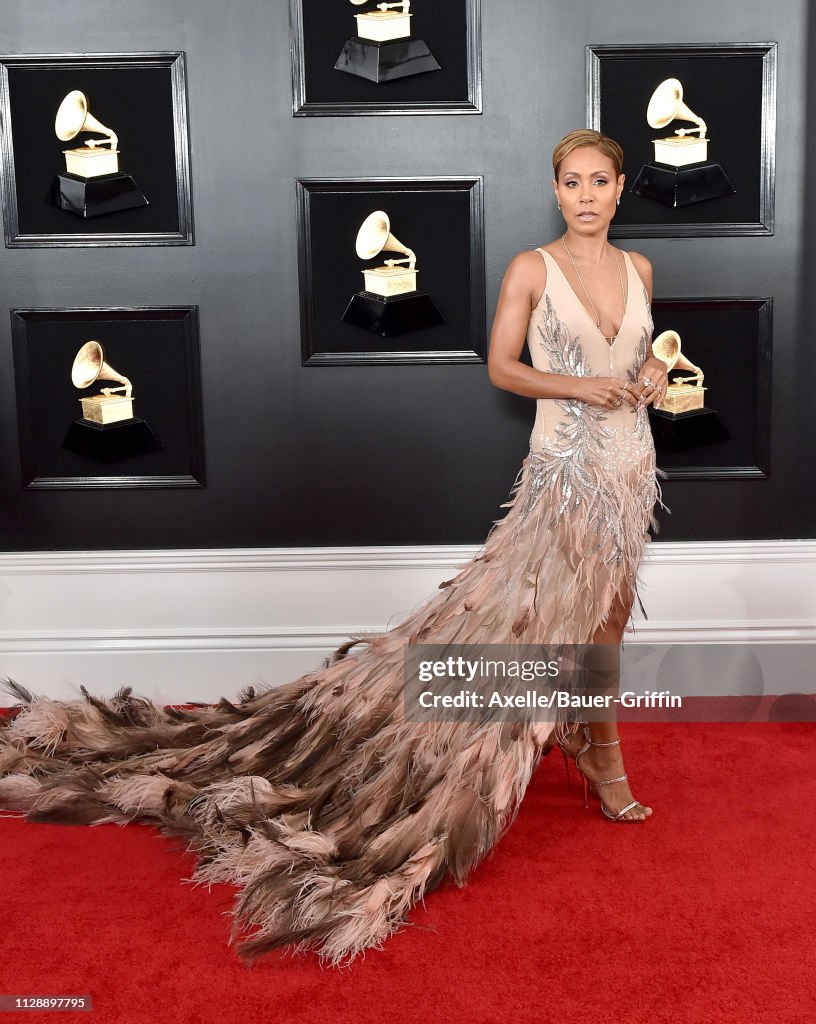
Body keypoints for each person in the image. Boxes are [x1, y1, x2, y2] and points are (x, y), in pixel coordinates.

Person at [0, 128, 668, 968]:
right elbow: (502, 366)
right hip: (562, 479)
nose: (585, 195)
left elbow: (638, 366)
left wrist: (643, 384)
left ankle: (587, 740)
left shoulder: (640, 272)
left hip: (630, 474)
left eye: (599, 181)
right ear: (556, 190)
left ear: (617, 190)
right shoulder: (533, 269)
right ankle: (571, 745)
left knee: (605, 623)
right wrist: (580, 386)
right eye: (570, 182)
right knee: (528, 628)